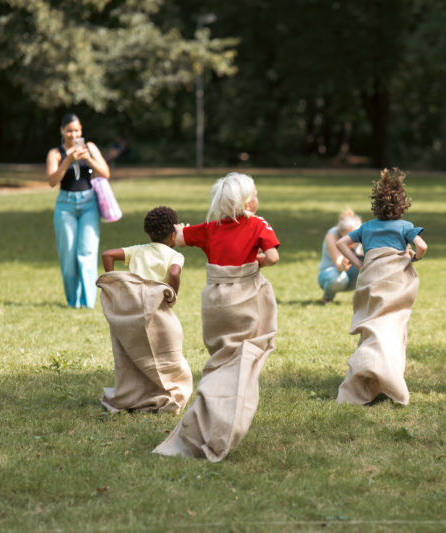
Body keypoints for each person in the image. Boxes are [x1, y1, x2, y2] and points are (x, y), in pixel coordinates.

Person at [153, 172, 280, 462]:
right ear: (247, 202)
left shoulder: (210, 228)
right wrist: (254, 260)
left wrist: (181, 228)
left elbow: (179, 238)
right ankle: (222, 424)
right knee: (241, 361)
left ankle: (206, 407)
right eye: (255, 194)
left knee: (220, 361)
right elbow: (272, 257)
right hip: (243, 301)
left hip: (214, 306)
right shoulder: (257, 224)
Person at [335, 168, 427, 406]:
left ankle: (367, 374)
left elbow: (342, 242)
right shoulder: (406, 226)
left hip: (371, 280)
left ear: (376, 205)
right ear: (402, 206)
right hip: (395, 283)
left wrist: (359, 263)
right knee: (392, 327)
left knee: (372, 323)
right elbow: (423, 246)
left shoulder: (366, 227)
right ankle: (385, 375)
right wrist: (413, 258)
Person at [96, 206, 193, 414]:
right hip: (156, 308)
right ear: (173, 233)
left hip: (130, 311)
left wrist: (116, 284)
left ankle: (133, 394)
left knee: (133, 354)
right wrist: (171, 296)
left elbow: (107, 255)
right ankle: (167, 392)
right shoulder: (174, 255)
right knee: (163, 353)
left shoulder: (137, 250)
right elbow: (174, 275)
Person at [45, 113, 111, 309]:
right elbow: (51, 181)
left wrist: (88, 159)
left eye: (77, 130)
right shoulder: (55, 153)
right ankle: (73, 301)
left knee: (87, 252)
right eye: (69, 131)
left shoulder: (89, 147)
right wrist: (68, 159)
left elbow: (106, 173)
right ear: (62, 131)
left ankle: (87, 302)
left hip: (89, 204)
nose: (73, 134)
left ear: (81, 130)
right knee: (68, 255)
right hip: (65, 206)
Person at [317, 209, 363, 303]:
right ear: (340, 232)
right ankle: (328, 295)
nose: (354, 239)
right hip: (332, 274)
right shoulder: (332, 235)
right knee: (339, 279)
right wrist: (343, 264)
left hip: (352, 276)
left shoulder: (363, 235)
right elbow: (339, 265)